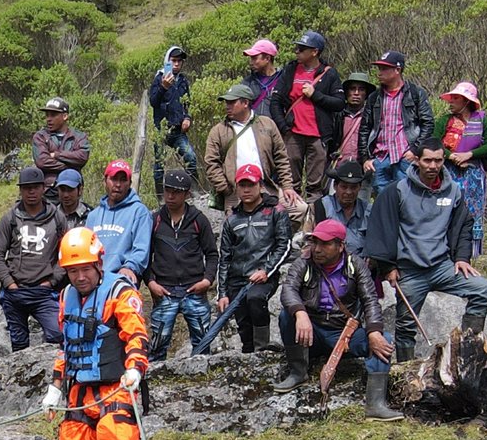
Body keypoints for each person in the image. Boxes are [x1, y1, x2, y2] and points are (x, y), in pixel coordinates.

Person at [42, 228, 153, 440]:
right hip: (79, 393)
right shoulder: (65, 299)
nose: (80, 276)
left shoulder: (120, 292)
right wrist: (55, 387)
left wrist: (135, 369)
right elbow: (67, 346)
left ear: (99, 263)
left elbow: (135, 334)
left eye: (86, 268)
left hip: (115, 389)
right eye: (73, 271)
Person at [367, 142, 487, 359]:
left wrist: (461, 258)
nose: (433, 166)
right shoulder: (397, 191)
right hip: (409, 270)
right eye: (427, 160)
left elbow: (464, 224)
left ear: (443, 160)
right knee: (405, 323)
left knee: (482, 289)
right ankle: (406, 370)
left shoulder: (453, 191)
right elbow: (381, 227)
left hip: (442, 266)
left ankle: (468, 352)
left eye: (438, 160)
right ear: (417, 161)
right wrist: (388, 266)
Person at [274, 218, 401, 419]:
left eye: (325, 244)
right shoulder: (303, 263)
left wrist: (374, 331)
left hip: (343, 334)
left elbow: (370, 300)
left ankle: (375, 404)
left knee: (383, 340)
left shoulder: (356, 266)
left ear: (340, 246)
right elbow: (288, 289)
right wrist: (300, 313)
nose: (317, 249)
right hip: (311, 333)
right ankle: (298, 371)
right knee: (286, 316)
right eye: (315, 242)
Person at [213, 164, 290, 354]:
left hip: (263, 277)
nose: (246, 190)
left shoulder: (276, 212)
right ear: (237, 187)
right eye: (242, 185)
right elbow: (225, 257)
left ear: (260, 185)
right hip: (236, 280)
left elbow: (285, 245)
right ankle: (249, 354)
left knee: (255, 300)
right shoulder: (232, 219)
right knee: (242, 320)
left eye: (251, 185)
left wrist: (266, 270)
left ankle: (262, 349)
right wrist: (222, 293)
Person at [144, 169, 216, 361]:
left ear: (186, 194)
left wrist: (207, 281)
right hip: (164, 290)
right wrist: (151, 282)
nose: (170, 195)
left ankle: (203, 383)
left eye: (176, 191)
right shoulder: (154, 221)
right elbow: (144, 256)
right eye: (167, 190)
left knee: (203, 345)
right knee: (158, 343)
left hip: (195, 289)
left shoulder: (199, 220)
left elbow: (212, 254)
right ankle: (154, 384)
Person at [0, 166, 69, 350]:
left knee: (58, 335)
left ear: (43, 188)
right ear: (20, 190)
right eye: (26, 187)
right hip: (15, 291)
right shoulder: (10, 219)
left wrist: (52, 281)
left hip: (43, 292)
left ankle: (57, 376)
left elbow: (66, 253)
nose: (31, 191)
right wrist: (9, 283)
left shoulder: (57, 218)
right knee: (19, 345)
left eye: (36, 186)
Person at [268, 30, 344, 200]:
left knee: (315, 186)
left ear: (314, 52)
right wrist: (283, 127)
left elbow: (339, 103)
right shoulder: (290, 70)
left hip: (318, 136)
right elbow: (275, 101)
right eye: (297, 48)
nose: (297, 52)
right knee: (289, 183)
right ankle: (292, 221)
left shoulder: (329, 73)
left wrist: (315, 95)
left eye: (301, 49)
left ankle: (313, 222)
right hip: (293, 134)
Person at [203, 83, 292, 212]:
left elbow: (281, 157)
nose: (227, 106)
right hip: (236, 191)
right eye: (226, 102)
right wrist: (226, 189)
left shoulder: (267, 124)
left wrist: (287, 186)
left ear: (245, 103)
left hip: (266, 187)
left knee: (300, 210)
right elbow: (211, 163)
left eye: (232, 102)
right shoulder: (218, 131)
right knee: (237, 227)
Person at [360, 50, 434, 194]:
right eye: (379, 69)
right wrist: (366, 159)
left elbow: (428, 123)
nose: (379, 73)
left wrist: (415, 150)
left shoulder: (414, 93)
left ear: (397, 70)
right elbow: (365, 128)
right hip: (380, 159)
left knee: (407, 200)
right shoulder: (374, 97)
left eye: (384, 69)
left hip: (405, 157)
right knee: (383, 203)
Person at [437, 81, 487, 261]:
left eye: (456, 98)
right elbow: (434, 142)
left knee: (472, 212)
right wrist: (452, 156)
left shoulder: (483, 120)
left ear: (466, 101)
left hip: (474, 173)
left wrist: (468, 154)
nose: (451, 102)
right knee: (447, 208)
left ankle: (467, 254)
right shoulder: (445, 121)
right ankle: (445, 253)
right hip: (450, 171)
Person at [84, 160, 153, 283]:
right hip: (94, 280)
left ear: (130, 183)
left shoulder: (139, 212)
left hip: (121, 278)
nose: (118, 184)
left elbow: (141, 249)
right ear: (105, 181)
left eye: (123, 180)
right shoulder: (93, 216)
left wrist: (129, 267)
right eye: (114, 179)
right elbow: (86, 250)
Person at [148, 45, 197, 180]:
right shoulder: (159, 78)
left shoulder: (183, 81)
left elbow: (187, 103)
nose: (176, 64)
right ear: (167, 61)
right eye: (173, 60)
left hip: (178, 131)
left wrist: (187, 118)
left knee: (191, 158)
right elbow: (153, 102)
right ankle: (160, 197)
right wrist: (163, 87)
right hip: (161, 131)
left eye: (179, 61)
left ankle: (194, 192)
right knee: (159, 166)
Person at [313, 159, 372, 259]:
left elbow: (374, 242)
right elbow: (312, 242)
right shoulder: (321, 206)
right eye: (344, 187)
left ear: (360, 187)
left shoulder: (368, 210)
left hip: (361, 264)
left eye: (353, 187)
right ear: (335, 186)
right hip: (328, 263)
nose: (348, 192)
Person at [31, 98, 91, 191]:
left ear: (65, 116)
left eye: (53, 115)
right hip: (48, 192)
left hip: (72, 190)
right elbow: (42, 161)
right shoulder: (40, 136)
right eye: (47, 115)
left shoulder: (79, 136)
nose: (48, 119)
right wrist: (70, 168)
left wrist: (56, 155)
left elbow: (82, 157)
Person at [331, 71, 374, 182]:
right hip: (338, 169)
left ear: (366, 94)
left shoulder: (373, 116)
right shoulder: (336, 114)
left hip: (363, 169)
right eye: (352, 89)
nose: (356, 93)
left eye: (361, 89)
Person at [244, 38, 284, 125]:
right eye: (251, 59)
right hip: (253, 131)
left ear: (267, 58)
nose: (251, 62)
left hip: (277, 132)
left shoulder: (283, 80)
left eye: (254, 58)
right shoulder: (248, 82)